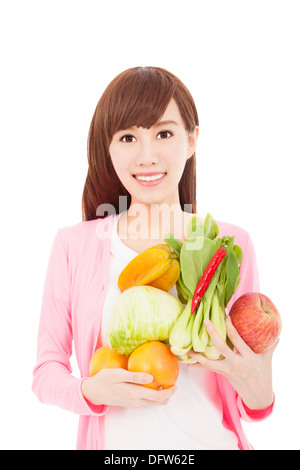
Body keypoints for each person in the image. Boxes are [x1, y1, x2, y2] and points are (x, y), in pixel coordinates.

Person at [32, 66, 277, 450]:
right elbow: (46, 372)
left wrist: (257, 381)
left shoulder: (230, 243)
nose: (147, 156)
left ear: (192, 140)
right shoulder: (73, 245)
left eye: (164, 133)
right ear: (108, 149)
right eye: (128, 137)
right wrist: (92, 390)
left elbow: (255, 406)